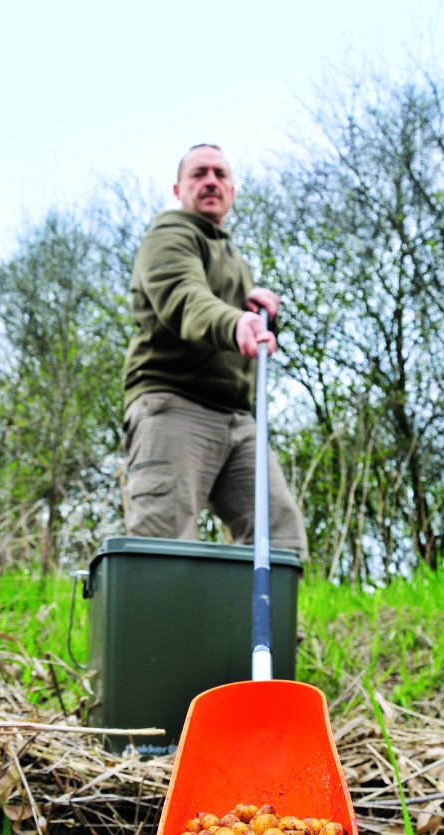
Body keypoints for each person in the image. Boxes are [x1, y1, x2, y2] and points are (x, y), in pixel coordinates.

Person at [121, 144, 308, 560]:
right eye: (199, 173)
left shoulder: (233, 259)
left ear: (233, 190)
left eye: (220, 174)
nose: (211, 181)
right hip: (174, 404)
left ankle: (260, 628)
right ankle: (158, 627)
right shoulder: (170, 234)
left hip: (237, 419)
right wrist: (234, 322)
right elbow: (183, 297)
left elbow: (236, 330)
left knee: (280, 538)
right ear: (178, 188)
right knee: (162, 541)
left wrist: (260, 317)